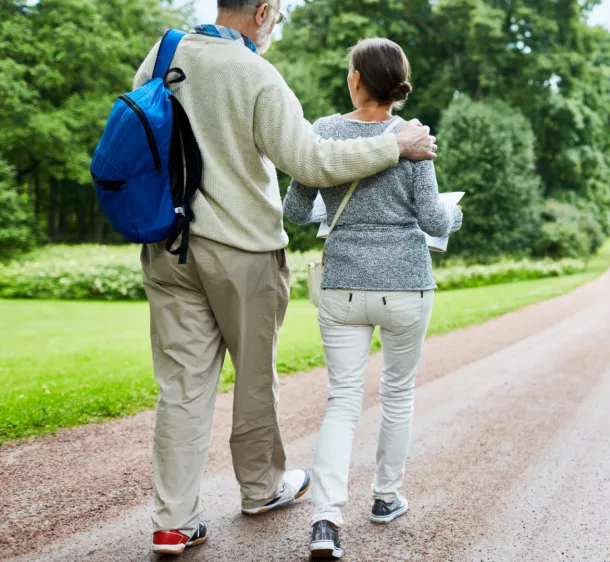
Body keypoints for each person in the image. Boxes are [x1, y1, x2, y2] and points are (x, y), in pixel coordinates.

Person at [136, 1, 438, 556]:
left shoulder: (163, 53)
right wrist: (394, 144)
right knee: (253, 378)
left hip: (168, 244)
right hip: (242, 248)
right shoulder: (256, 73)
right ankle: (261, 488)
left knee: (181, 386)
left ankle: (173, 522)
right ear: (263, 11)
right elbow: (311, 163)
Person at [283, 38, 463, 560]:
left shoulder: (322, 131)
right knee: (398, 394)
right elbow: (433, 218)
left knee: (342, 401)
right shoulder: (413, 135)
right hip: (407, 285)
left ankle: (325, 520)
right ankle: (385, 498)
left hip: (343, 284)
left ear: (356, 79)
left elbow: (296, 211)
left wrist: (340, 213)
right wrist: (455, 215)